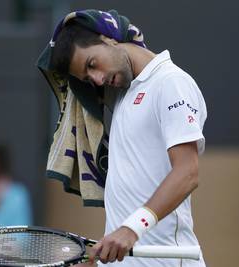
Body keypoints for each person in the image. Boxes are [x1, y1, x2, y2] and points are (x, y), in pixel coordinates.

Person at [37, 10, 207, 267]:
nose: (96, 79)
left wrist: (131, 229)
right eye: (86, 78)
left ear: (109, 38)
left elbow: (188, 173)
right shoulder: (120, 98)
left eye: (92, 64)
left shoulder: (171, 83)